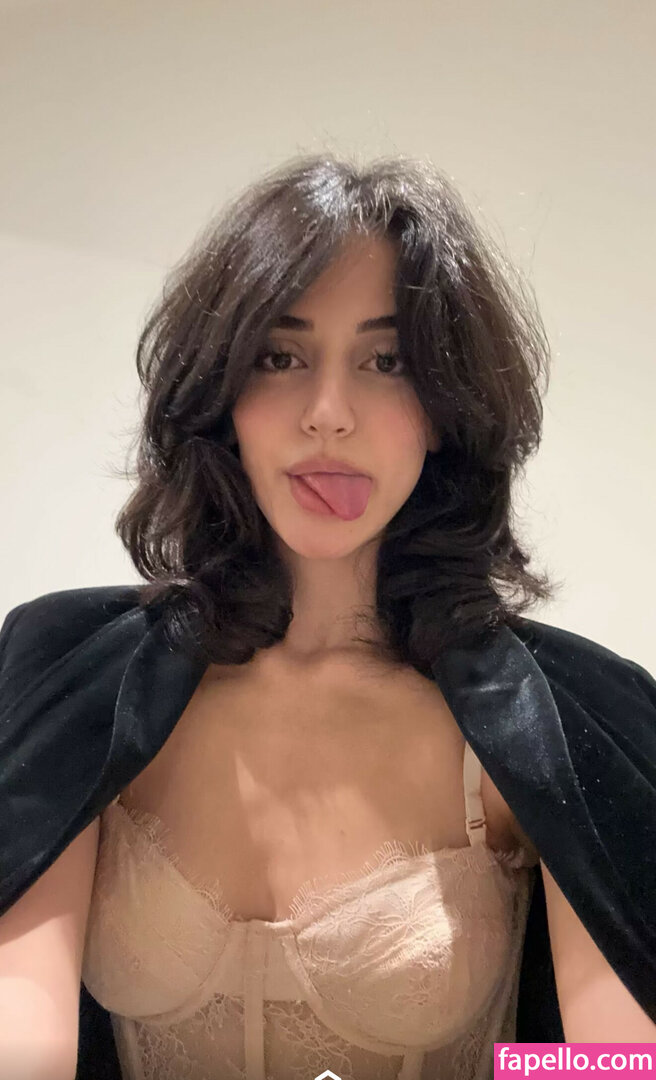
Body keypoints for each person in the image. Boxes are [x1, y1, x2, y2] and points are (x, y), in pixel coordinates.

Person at [0, 154, 655, 1080]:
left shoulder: (558, 721)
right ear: (223, 394)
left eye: (388, 362)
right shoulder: (73, 680)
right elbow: (21, 1046)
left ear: (443, 408)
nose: (329, 413)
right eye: (281, 357)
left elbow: (615, 1064)